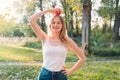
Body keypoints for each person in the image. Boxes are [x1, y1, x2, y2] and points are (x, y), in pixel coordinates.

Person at [29, 8, 86, 80]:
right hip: (45, 75)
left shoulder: (67, 41)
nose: (56, 25)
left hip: (60, 76)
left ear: (62, 26)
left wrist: (70, 71)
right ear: (50, 25)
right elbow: (31, 20)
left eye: (58, 23)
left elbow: (83, 58)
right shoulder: (44, 38)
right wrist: (48, 10)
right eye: (53, 22)